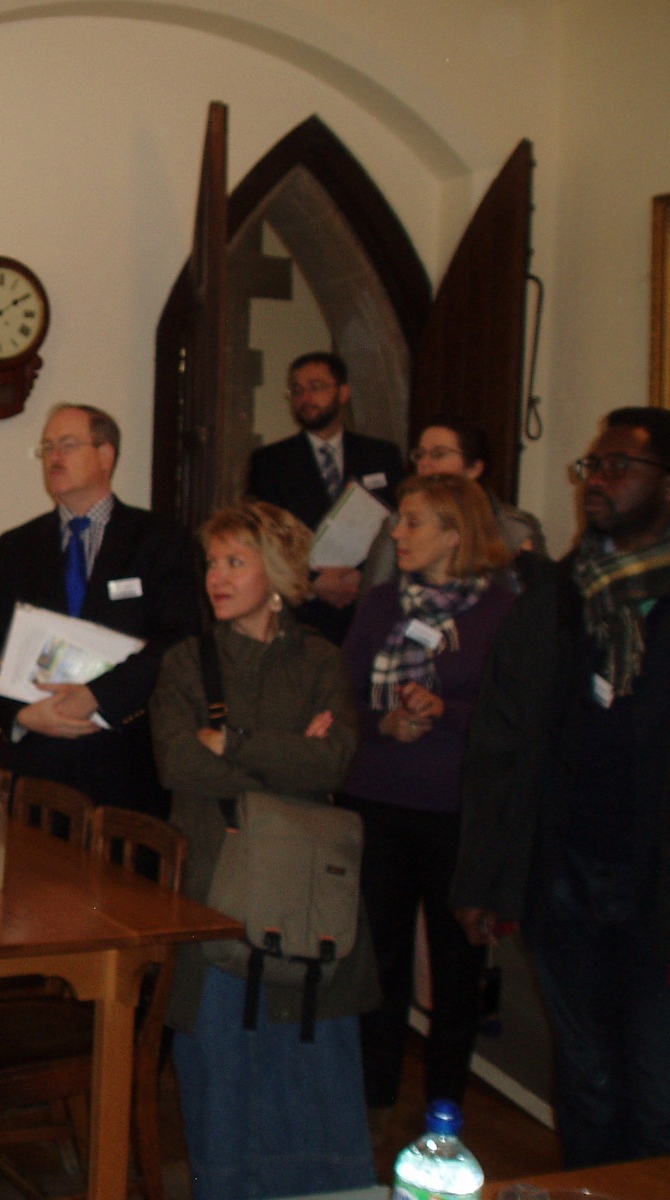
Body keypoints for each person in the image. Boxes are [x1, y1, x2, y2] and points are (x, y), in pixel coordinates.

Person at [452, 407, 670, 1168]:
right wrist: (482, 876)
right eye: (590, 467)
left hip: (658, 892)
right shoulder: (556, 598)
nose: (595, 482)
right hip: (567, 880)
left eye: (617, 467)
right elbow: (500, 742)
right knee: (587, 1082)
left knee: (657, 1093)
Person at [152, 500, 374, 1200]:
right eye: (212, 562)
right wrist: (288, 758)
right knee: (220, 1072)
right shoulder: (186, 663)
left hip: (307, 894)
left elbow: (334, 762)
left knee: (314, 1074)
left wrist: (235, 743)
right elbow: (178, 764)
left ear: (276, 573)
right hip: (215, 891)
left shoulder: (320, 660)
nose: (216, 577)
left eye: (235, 562)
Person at [340, 474, 516, 1130]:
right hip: (378, 799)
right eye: (400, 520)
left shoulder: (502, 612)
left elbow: (514, 718)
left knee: (456, 966)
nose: (397, 533)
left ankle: (446, 1106)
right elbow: (342, 697)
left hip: (457, 810)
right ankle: (373, 1097)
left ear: (455, 532)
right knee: (378, 957)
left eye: (413, 522)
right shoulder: (381, 604)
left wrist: (446, 711)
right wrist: (385, 721)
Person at [0, 403, 198, 814]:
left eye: (67, 445)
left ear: (106, 455)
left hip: (125, 764)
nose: (54, 457)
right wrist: (20, 716)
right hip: (36, 765)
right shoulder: (16, 547)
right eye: (47, 448)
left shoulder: (161, 541)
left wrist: (98, 696)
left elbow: (179, 641)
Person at [247, 351, 405, 644]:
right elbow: (263, 535)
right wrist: (312, 582)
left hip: (369, 608)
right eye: (297, 390)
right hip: (303, 612)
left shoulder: (382, 455)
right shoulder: (270, 461)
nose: (305, 398)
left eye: (316, 387)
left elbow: (399, 524)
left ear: (343, 393)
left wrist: (366, 576)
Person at [360, 415, 547, 592]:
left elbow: (539, 599)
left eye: (438, 454)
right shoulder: (398, 524)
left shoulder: (517, 527)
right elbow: (373, 596)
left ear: (474, 468)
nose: (425, 463)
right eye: (420, 454)